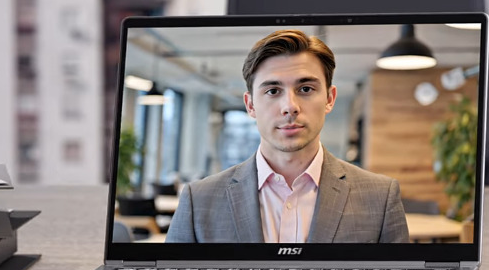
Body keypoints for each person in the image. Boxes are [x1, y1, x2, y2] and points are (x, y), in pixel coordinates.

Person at [165, 30, 409, 243]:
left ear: (329, 99)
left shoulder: (380, 197)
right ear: (250, 105)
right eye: (272, 91)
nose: (290, 106)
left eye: (305, 89)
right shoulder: (198, 200)